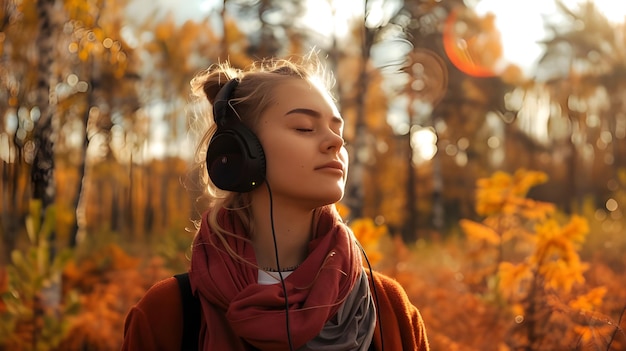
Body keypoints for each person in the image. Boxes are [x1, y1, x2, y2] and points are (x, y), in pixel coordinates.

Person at [121, 53, 429, 351]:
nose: (335, 142)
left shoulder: (389, 309)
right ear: (241, 151)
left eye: (339, 133)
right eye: (304, 128)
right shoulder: (167, 314)